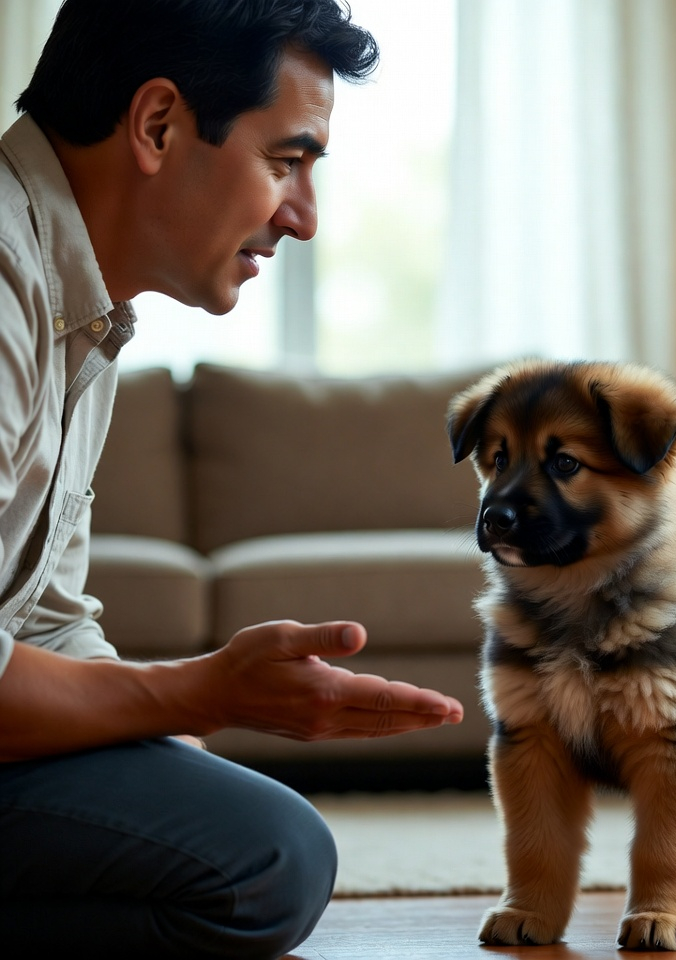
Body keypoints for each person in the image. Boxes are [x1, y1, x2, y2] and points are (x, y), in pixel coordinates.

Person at [0, 1, 464, 956]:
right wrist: (198, 694)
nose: (304, 217)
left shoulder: (80, 307)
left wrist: (159, 749)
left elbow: (42, 614)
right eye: (284, 160)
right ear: (159, 125)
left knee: (250, 833)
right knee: (267, 857)